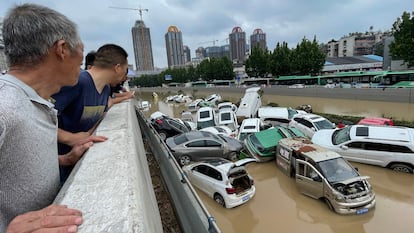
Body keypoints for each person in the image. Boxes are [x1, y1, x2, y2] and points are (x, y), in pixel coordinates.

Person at [0, 3, 106, 232]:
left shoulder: (34, 101)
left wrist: (65, 160)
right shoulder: (5, 107)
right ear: (62, 49)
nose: (83, 62)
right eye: (80, 50)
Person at [52, 44, 135, 182]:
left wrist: (88, 134)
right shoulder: (77, 82)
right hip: (55, 167)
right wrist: (70, 138)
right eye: (125, 70)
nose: (124, 77)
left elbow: (102, 110)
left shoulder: (105, 88)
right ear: (117, 67)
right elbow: (36, 120)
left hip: (76, 163)